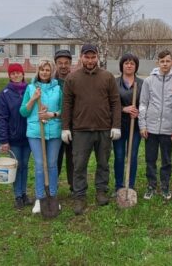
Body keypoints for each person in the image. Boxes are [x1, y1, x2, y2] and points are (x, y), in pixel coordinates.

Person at [61, 44, 121, 215]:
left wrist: (116, 125)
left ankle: (101, 191)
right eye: (86, 57)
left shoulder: (107, 77)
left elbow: (115, 102)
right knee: (79, 165)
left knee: (103, 163)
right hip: (81, 130)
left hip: (104, 128)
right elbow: (67, 104)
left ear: (97, 57)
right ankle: (79, 196)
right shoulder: (72, 78)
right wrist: (65, 127)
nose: (90, 60)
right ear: (81, 58)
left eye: (93, 57)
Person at [20, 59, 62, 214]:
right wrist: (33, 98)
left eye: (47, 70)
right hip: (35, 132)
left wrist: (52, 114)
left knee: (51, 164)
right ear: (38, 71)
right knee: (39, 165)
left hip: (54, 132)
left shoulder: (58, 89)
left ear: (52, 72)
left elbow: (63, 110)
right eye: (42, 69)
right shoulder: (31, 88)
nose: (44, 72)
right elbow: (23, 112)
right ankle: (40, 198)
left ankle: (52, 196)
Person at [139, 49, 172, 200]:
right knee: (150, 159)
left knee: (166, 160)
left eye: (168, 61)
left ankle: (165, 185)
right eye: (162, 61)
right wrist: (142, 125)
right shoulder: (148, 81)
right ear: (158, 63)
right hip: (150, 128)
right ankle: (151, 185)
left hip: (167, 129)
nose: (165, 64)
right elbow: (143, 104)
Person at [0, 63, 33, 209]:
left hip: (29, 135)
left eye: (18, 72)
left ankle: (24, 193)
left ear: (23, 74)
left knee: (25, 165)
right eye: (13, 73)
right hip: (14, 137)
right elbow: (2, 117)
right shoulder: (5, 93)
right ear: (9, 76)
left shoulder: (29, 89)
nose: (16, 75)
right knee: (17, 166)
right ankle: (18, 195)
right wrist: (4, 139)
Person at [112, 53, 143, 195]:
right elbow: (109, 104)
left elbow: (145, 103)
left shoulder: (142, 83)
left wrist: (138, 112)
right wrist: (123, 109)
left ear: (136, 66)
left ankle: (130, 185)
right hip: (119, 124)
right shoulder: (114, 83)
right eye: (126, 63)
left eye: (132, 63)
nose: (129, 65)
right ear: (122, 65)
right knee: (119, 155)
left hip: (135, 125)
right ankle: (119, 185)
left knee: (132, 154)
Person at [54, 49, 74, 195]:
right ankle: (53, 187)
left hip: (74, 126)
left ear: (70, 64)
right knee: (55, 159)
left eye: (66, 63)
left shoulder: (75, 80)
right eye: (60, 63)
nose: (63, 66)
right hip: (55, 126)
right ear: (55, 64)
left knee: (74, 159)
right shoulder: (50, 82)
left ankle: (74, 187)